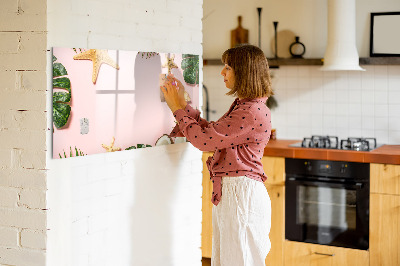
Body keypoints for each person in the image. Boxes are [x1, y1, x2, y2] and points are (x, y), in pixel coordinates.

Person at [161, 44, 273, 266]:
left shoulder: (250, 111)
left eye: (228, 67)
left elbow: (204, 141)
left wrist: (177, 109)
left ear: (244, 72)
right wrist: (184, 106)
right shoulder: (246, 106)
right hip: (236, 193)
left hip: (241, 195)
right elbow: (212, 133)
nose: (222, 72)